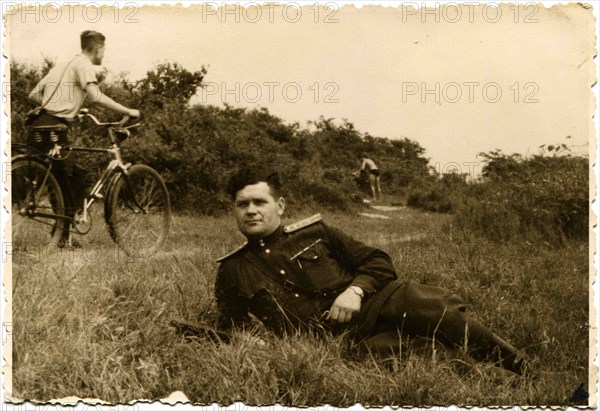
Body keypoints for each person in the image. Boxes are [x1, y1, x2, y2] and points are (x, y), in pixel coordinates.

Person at [213, 168, 529, 375]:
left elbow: (378, 261)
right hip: (340, 340)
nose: (251, 210)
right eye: (242, 204)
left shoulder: (315, 231)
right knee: (411, 355)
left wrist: (355, 290)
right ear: (235, 210)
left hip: (374, 302)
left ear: (279, 206)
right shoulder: (232, 270)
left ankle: (518, 364)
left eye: (259, 202)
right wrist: (251, 341)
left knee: (432, 309)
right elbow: (232, 327)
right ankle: (488, 376)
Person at [27, 30, 140, 247]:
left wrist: (62, 107)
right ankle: (64, 236)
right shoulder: (84, 64)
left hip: (38, 126)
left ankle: (61, 236)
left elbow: (33, 95)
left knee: (61, 179)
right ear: (96, 48)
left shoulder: (62, 64)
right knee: (74, 179)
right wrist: (128, 110)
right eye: (103, 49)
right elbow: (95, 96)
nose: (104, 53)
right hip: (55, 129)